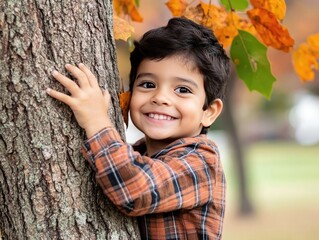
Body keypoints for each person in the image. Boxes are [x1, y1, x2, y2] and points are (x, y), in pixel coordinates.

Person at [47, 17, 230, 239]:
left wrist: (96, 121)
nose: (160, 97)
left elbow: (135, 190)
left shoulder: (202, 163)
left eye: (182, 89)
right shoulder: (132, 153)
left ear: (209, 111)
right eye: (148, 84)